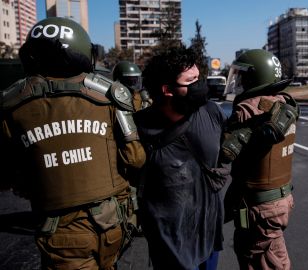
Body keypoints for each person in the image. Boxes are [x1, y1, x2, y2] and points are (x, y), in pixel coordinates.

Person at [0, 17, 146, 269]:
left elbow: (7, 176)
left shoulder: (12, 105)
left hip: (62, 235)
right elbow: (135, 158)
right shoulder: (109, 95)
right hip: (114, 223)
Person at [134, 45, 228, 270]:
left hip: (208, 233)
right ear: (167, 90)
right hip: (170, 241)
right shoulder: (139, 127)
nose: (200, 85)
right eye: (191, 81)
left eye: (199, 77)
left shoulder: (211, 112)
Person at [221, 49, 299, 270]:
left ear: (254, 77)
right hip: (278, 200)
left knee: (264, 261)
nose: (240, 81)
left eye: (243, 76)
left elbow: (225, 153)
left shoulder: (248, 109)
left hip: (260, 207)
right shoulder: (283, 103)